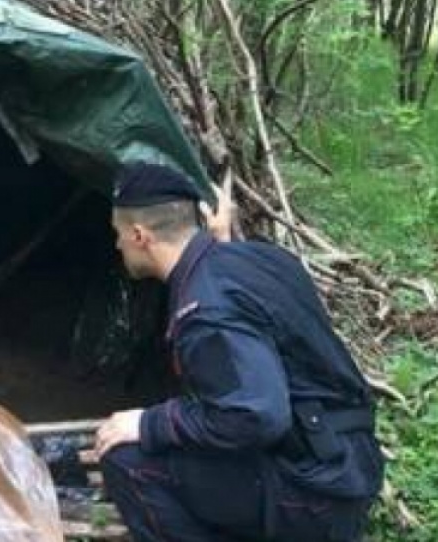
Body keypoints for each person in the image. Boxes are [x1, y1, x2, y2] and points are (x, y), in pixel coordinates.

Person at [93, 161, 383, 541]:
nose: (117, 245)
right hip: (347, 463)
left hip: (313, 493)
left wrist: (149, 424)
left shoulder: (206, 311)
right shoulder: (261, 259)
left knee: (128, 463)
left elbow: (255, 416)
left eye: (118, 234)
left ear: (139, 235)